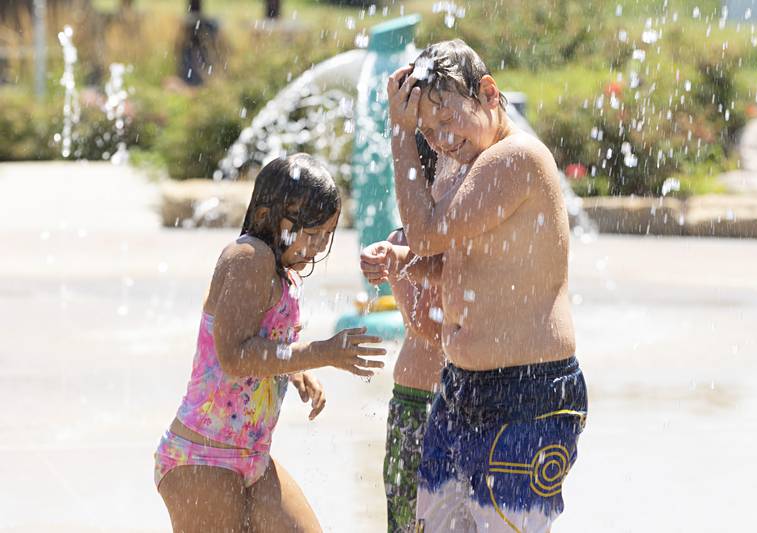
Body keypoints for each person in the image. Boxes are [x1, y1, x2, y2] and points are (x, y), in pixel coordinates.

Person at [364, 39, 588, 532]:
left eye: (447, 121)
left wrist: (401, 135)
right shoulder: (464, 164)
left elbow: (425, 232)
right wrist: (404, 260)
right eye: (427, 129)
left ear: (488, 93)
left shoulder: (516, 158)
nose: (440, 140)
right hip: (459, 388)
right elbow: (455, 264)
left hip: (526, 392)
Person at [154, 154, 386, 533]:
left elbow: (265, 342)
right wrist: (320, 352)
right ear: (266, 213)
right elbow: (233, 355)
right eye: (310, 234)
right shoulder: (249, 257)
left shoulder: (283, 272)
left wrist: (296, 370)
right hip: (202, 455)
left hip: (252, 455)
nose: (317, 247)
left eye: (326, 236)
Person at [361, 134, 449, 533]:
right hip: (418, 403)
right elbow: (428, 327)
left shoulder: (470, 239)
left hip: (467, 398)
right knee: (408, 521)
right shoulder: (400, 243)